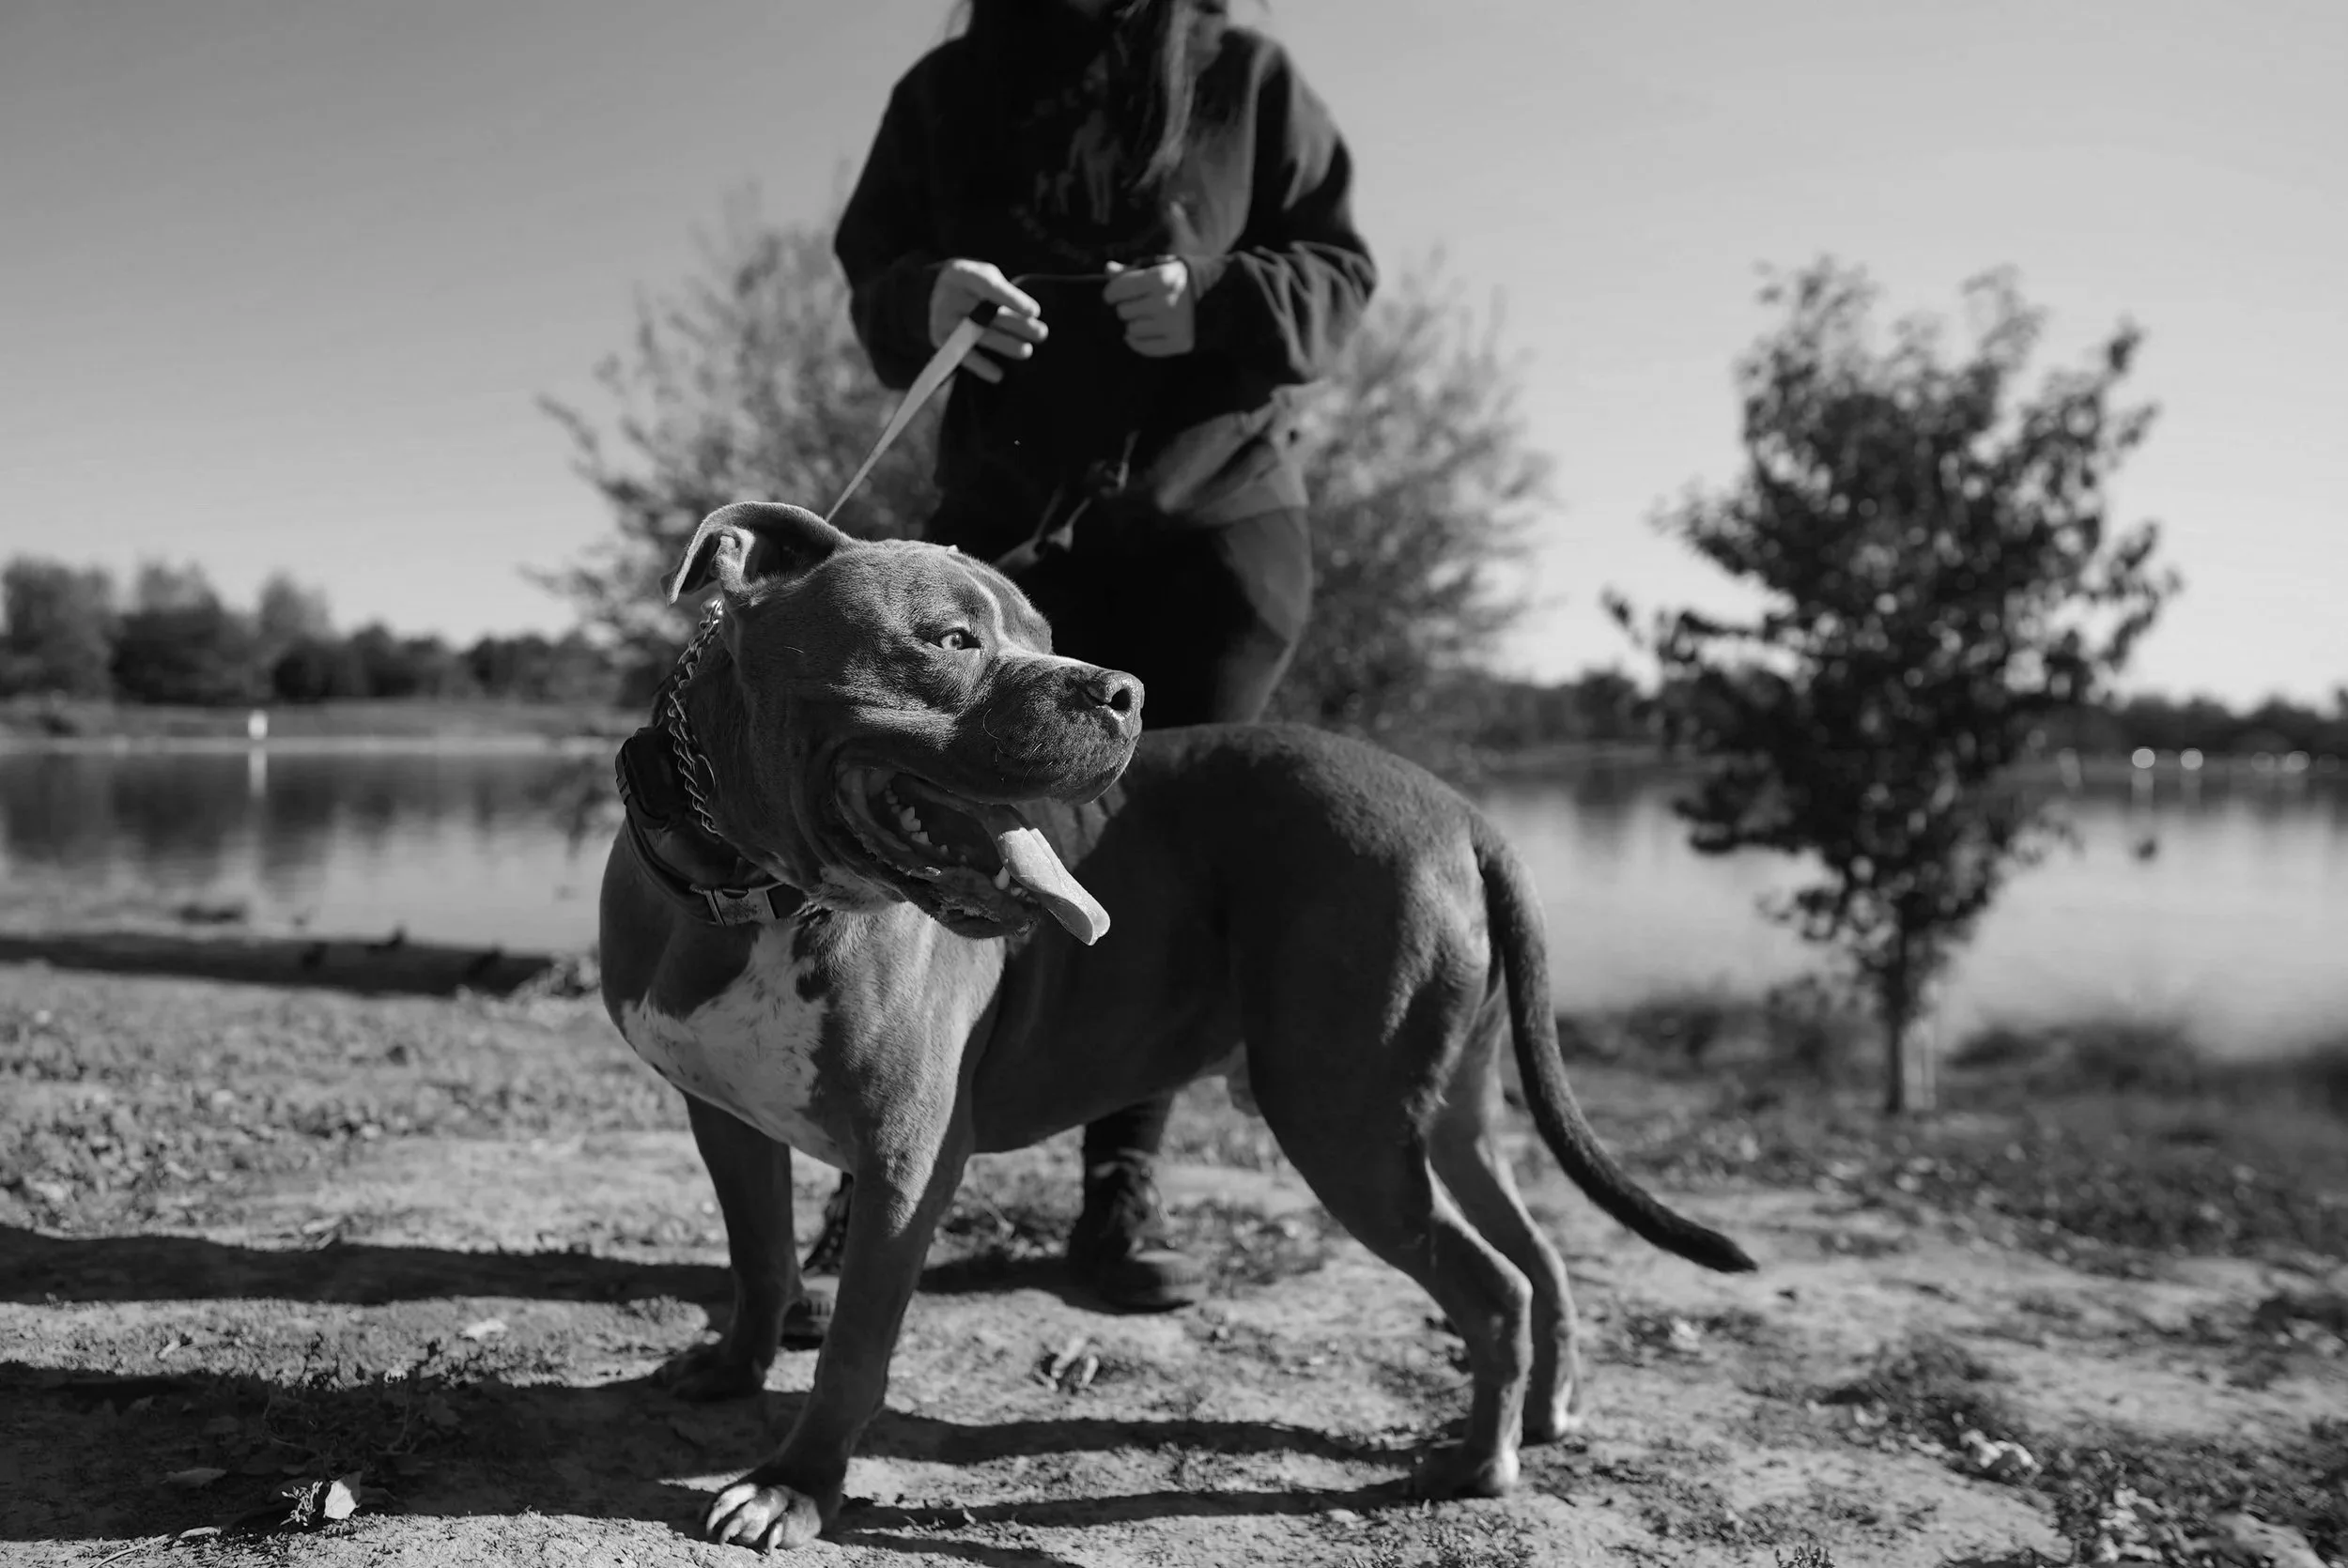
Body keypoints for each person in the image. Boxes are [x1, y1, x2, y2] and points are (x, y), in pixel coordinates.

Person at [825, 0, 1376, 1312]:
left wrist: (1221, 302)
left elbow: (1340, 270)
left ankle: (1120, 1190)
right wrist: (931, 296)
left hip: (1215, 537)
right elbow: (878, 268)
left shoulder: (1247, 80)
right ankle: (884, 1161)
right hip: (1004, 549)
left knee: (1158, 860)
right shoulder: (946, 91)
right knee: (932, 831)